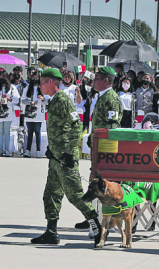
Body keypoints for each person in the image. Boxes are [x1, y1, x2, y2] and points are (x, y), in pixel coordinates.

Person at [31, 68, 102, 246]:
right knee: (51, 194)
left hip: (65, 158)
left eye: (42, 82)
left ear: (51, 82)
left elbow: (76, 126)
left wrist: (70, 153)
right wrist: (51, 149)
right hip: (56, 157)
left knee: (76, 195)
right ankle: (51, 231)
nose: (39, 86)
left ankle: (98, 227)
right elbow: (59, 129)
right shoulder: (54, 100)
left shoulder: (62, 100)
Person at [88, 66, 122, 149]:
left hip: (105, 148)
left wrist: (105, 148)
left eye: (96, 78)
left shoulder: (111, 99)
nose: (94, 81)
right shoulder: (102, 96)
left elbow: (112, 127)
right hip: (98, 145)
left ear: (105, 80)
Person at [0, 78, 20, 156]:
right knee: (0, 132)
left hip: (8, 113)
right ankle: (0, 149)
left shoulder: (12, 87)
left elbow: (17, 99)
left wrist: (9, 99)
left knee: (7, 132)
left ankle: (7, 150)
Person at [22, 73, 47, 158]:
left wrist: (43, 99)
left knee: (37, 132)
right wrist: (30, 102)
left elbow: (48, 100)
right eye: (34, 77)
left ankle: (38, 150)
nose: (35, 79)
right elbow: (22, 100)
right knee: (29, 132)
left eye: (37, 77)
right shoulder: (27, 88)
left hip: (39, 114)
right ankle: (28, 150)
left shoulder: (43, 88)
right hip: (29, 114)